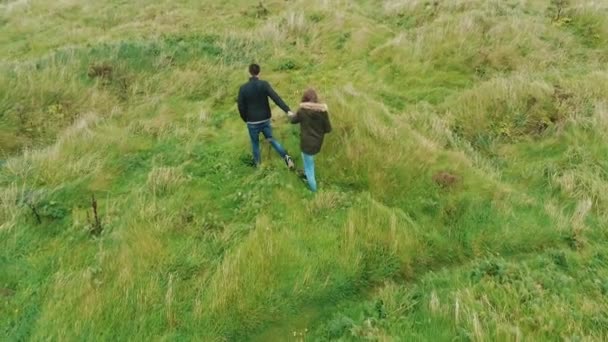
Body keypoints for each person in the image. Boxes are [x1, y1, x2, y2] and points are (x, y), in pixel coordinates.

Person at [237, 63, 295, 169]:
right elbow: (276, 98)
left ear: (249, 72)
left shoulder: (243, 88)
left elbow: (240, 106)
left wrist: (245, 119)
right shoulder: (264, 84)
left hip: (252, 121)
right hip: (265, 119)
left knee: (255, 144)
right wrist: (287, 110)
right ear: (259, 72)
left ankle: (258, 166)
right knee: (271, 139)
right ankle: (286, 158)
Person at [288, 88, 332, 192]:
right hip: (317, 144)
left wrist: (290, 115)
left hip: (306, 145)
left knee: (309, 168)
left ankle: (314, 190)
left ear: (305, 99)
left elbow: (293, 121)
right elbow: (328, 129)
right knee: (309, 162)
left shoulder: (302, 111)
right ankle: (307, 174)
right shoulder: (323, 112)